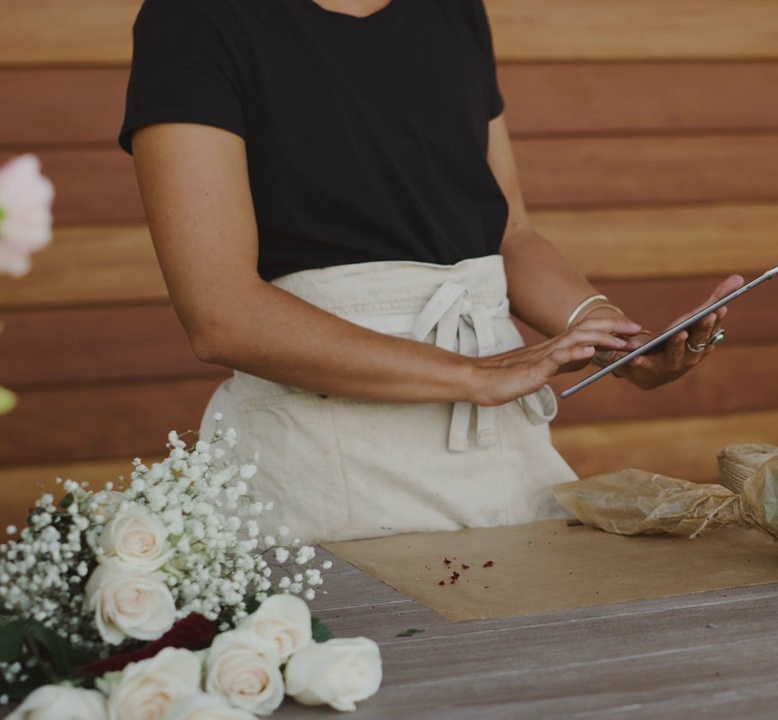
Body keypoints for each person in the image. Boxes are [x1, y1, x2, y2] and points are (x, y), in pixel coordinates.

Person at [119, 0, 743, 542]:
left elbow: (507, 234)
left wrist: (610, 334)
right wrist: (471, 374)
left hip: (500, 446)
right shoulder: (194, 17)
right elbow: (222, 314)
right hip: (326, 456)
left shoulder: (454, 10)